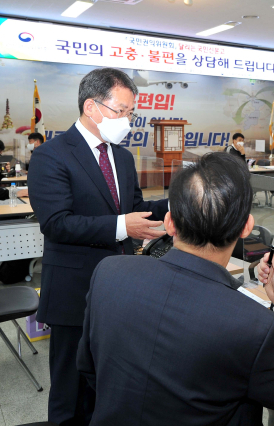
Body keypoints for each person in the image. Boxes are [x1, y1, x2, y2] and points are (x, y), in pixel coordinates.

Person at [77, 153, 274, 425]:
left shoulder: (108, 273)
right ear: (246, 228)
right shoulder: (255, 325)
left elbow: (89, 368)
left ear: (169, 222)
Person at [28, 68, 169, 425]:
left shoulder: (122, 156)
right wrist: (124, 226)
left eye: (131, 113)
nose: (128, 121)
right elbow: (57, 223)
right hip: (74, 292)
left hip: (120, 287)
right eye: (121, 111)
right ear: (92, 106)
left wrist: (180, 203)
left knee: (107, 385)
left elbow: (136, 208)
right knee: (70, 394)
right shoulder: (51, 155)